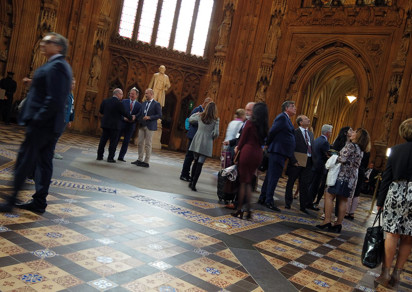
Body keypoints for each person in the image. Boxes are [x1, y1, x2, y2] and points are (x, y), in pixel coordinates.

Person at [0, 32, 72, 213]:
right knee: (43, 163)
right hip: (47, 124)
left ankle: (11, 202)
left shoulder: (58, 66)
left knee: (25, 161)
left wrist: (38, 119)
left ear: (59, 47)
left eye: (48, 41)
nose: (43, 43)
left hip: (43, 125)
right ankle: (39, 202)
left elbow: (54, 99)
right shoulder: (55, 65)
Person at [375, 118, 412, 290]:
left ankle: (385, 273)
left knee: (391, 234)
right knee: (408, 237)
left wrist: (380, 202)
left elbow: (386, 177)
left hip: (396, 190)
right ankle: (397, 274)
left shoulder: (395, 150)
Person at [316, 128, 370, 233]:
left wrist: (333, 157)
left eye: (355, 132)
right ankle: (338, 224)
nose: (353, 133)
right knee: (343, 200)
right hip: (352, 178)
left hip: (341, 175)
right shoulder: (361, 149)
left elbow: (342, 159)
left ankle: (327, 220)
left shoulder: (351, 145)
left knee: (328, 195)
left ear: (358, 136)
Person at [258, 101, 297, 212]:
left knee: (270, 176)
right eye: (293, 106)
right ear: (286, 108)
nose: (295, 108)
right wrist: (266, 144)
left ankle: (263, 197)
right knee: (274, 177)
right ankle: (268, 201)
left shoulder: (287, 119)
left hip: (280, 152)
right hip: (277, 152)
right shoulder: (282, 118)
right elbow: (272, 131)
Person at [231, 103, 267, 219]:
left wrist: (237, 150)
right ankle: (249, 210)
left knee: (243, 182)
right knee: (249, 181)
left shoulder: (250, 123)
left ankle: (239, 209)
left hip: (247, 152)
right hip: (258, 154)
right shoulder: (264, 125)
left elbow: (242, 140)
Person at [284, 115, 315, 213]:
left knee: (304, 184)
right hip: (297, 161)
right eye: (306, 119)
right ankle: (288, 202)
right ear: (301, 122)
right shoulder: (295, 132)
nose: (309, 119)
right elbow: (290, 147)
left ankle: (303, 206)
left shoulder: (310, 134)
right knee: (291, 182)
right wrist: (293, 160)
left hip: (308, 161)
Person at [187, 102, 219, 191]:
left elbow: (190, 119)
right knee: (200, 164)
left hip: (197, 140)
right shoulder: (216, 119)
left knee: (195, 161)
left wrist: (195, 114)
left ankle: (191, 181)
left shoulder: (200, 116)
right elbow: (216, 133)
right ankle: (194, 184)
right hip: (207, 142)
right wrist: (212, 136)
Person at [180, 97, 212, 181]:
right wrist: (201, 121)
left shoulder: (204, 112)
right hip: (193, 135)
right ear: (205, 104)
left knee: (193, 157)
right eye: (208, 106)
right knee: (189, 156)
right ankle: (184, 174)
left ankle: (187, 174)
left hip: (197, 137)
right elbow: (190, 120)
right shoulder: (197, 109)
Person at [97, 88, 134, 163]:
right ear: (118, 94)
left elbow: (101, 111)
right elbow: (125, 113)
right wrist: (131, 117)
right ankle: (110, 158)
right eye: (122, 94)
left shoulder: (105, 101)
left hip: (105, 124)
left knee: (102, 141)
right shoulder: (119, 103)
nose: (122, 96)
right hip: (115, 126)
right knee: (113, 143)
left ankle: (99, 156)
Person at [132, 88, 162, 168]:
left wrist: (149, 117)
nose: (145, 95)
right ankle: (139, 159)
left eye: (147, 93)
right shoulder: (144, 103)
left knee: (148, 144)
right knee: (140, 143)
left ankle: (146, 161)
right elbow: (140, 113)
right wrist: (135, 116)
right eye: (145, 93)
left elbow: (159, 115)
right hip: (142, 125)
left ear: (151, 94)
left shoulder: (156, 104)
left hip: (150, 126)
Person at [309, 124, 333, 208]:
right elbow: (327, 156)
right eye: (330, 132)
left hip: (313, 166)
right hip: (320, 167)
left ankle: (307, 201)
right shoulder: (325, 142)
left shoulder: (317, 140)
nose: (331, 134)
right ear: (327, 133)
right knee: (315, 186)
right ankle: (309, 203)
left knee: (311, 185)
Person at [117, 87, 142, 162]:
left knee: (126, 141)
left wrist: (135, 117)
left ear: (137, 95)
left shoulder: (139, 105)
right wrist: (123, 118)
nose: (131, 95)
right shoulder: (124, 101)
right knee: (116, 139)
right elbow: (118, 112)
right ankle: (111, 155)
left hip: (131, 125)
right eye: (130, 93)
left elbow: (139, 115)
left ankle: (121, 157)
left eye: (133, 94)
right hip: (122, 123)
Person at [54, 77, 76, 160]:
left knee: (57, 136)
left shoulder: (71, 94)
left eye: (74, 84)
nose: (74, 85)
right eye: (72, 83)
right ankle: (51, 151)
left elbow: (72, 107)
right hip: (60, 118)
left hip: (65, 119)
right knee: (55, 136)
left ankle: (51, 151)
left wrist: (70, 119)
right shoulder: (63, 93)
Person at [345, 147, 370, 220]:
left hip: (354, 170)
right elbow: (366, 164)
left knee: (350, 190)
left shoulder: (356, 147)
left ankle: (346, 211)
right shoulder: (367, 150)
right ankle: (352, 212)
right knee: (357, 193)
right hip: (361, 171)